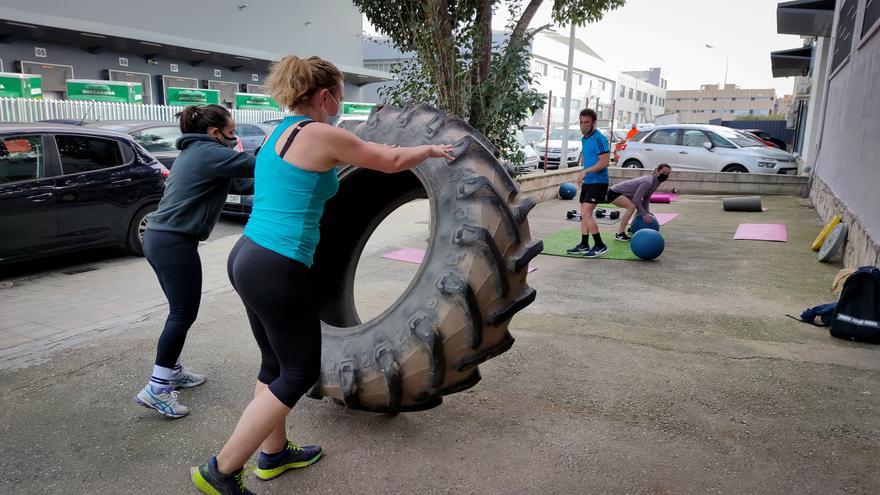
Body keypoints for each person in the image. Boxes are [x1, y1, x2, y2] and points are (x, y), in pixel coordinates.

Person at [190, 55, 455, 495]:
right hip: (276, 263)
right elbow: (389, 160)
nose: (341, 102)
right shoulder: (322, 135)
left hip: (248, 255)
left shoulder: (279, 132)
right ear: (326, 95)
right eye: (341, 94)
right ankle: (221, 470)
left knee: (275, 364)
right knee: (299, 371)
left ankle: (273, 455)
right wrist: (429, 150)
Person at [134, 105, 256, 419]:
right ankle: (157, 389)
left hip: (160, 239)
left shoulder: (200, 154)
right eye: (231, 132)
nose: (234, 138)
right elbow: (260, 165)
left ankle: (171, 371)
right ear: (215, 133)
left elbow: (244, 182)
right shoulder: (207, 153)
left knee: (178, 311)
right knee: (182, 313)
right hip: (173, 242)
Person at [567, 108, 611, 258]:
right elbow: (589, 159)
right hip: (589, 181)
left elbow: (604, 162)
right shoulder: (585, 138)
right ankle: (584, 244)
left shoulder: (599, 138)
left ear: (594, 123)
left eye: (586, 122)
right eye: (581, 122)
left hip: (599, 182)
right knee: (583, 214)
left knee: (586, 213)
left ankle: (600, 245)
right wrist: (583, 173)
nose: (583, 125)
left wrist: (586, 171)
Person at [605, 163, 672, 241]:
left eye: (667, 173)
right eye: (664, 172)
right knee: (632, 207)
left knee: (640, 208)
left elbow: (646, 198)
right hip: (614, 193)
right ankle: (619, 233)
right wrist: (644, 214)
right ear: (657, 171)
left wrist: (647, 213)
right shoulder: (648, 182)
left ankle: (634, 226)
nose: (665, 175)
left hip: (626, 194)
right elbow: (636, 199)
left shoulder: (657, 183)